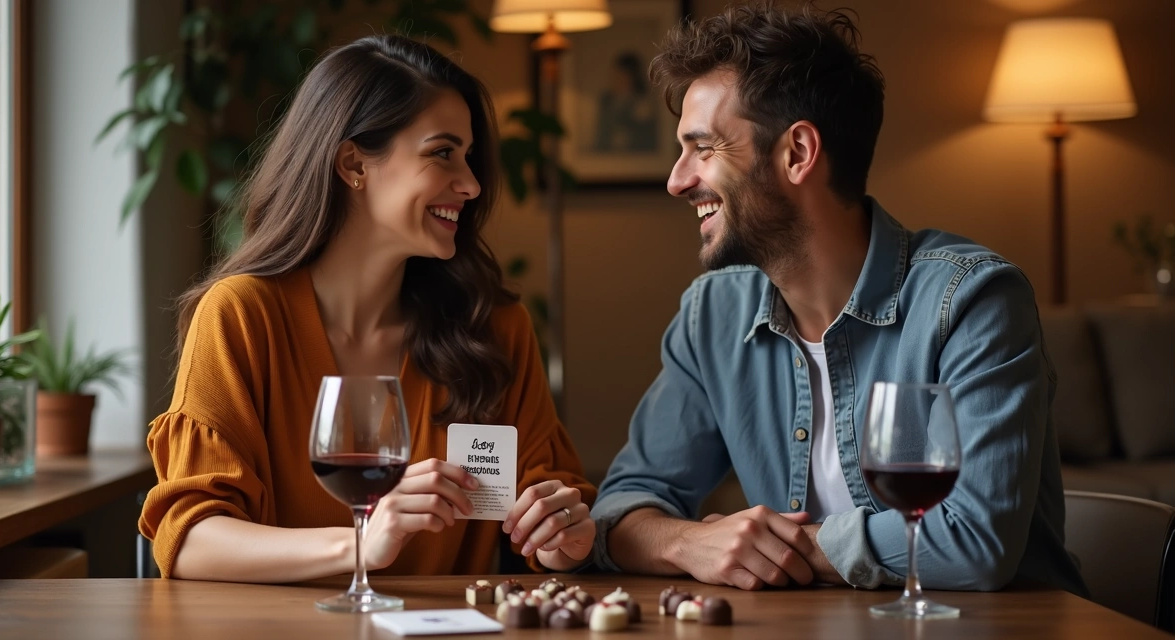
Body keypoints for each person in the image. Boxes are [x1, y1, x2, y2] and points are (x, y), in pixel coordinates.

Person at [591, 1, 1087, 595]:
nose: (677, 179)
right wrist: (688, 541)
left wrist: (785, 546)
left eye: (703, 148)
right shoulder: (712, 316)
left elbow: (974, 543)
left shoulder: (971, 302)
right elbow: (620, 509)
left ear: (797, 153)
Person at [139, 35, 596, 583]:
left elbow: (555, 529)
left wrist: (562, 535)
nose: (472, 184)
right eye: (442, 153)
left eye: (469, 157)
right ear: (354, 163)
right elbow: (191, 541)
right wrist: (362, 544)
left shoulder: (495, 329)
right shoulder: (240, 316)